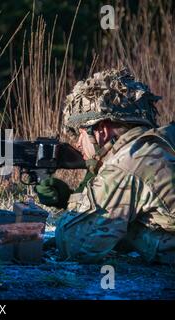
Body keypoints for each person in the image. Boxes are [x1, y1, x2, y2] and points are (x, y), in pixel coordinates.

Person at [35, 68, 175, 264]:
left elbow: (77, 245)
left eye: (81, 133)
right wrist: (71, 198)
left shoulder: (128, 162)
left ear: (101, 129)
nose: (77, 144)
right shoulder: (164, 140)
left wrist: (73, 207)